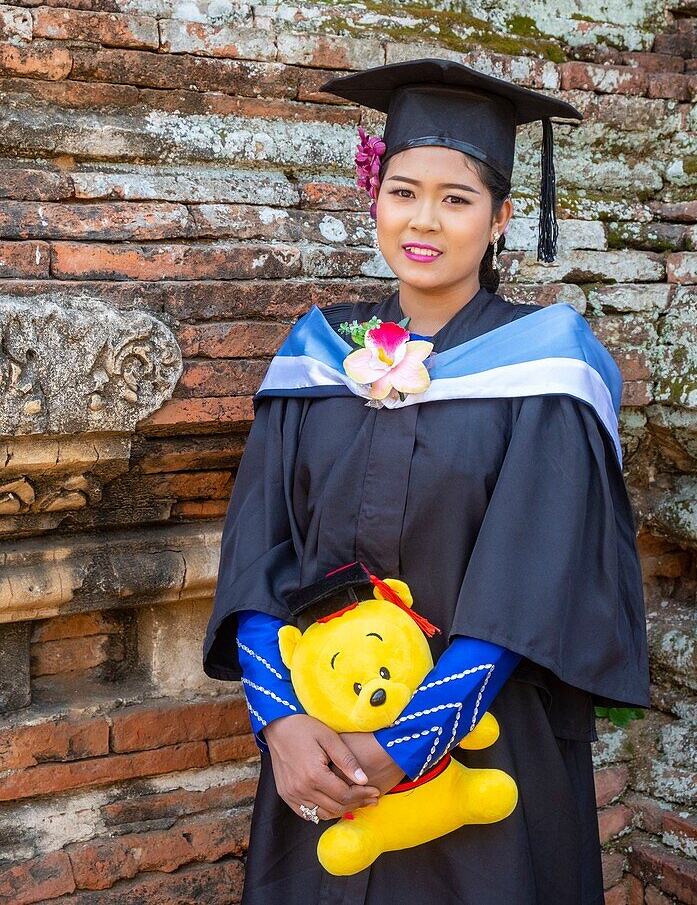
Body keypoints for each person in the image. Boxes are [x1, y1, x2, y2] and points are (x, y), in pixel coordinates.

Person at [203, 58, 650, 904]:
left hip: (487, 746)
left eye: (457, 198)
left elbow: (533, 577)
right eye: (403, 191)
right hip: (324, 744)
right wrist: (281, 722)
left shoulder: (546, 367)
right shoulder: (319, 356)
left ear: (502, 218)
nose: (423, 220)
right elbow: (257, 551)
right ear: (374, 198)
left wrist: (409, 743)